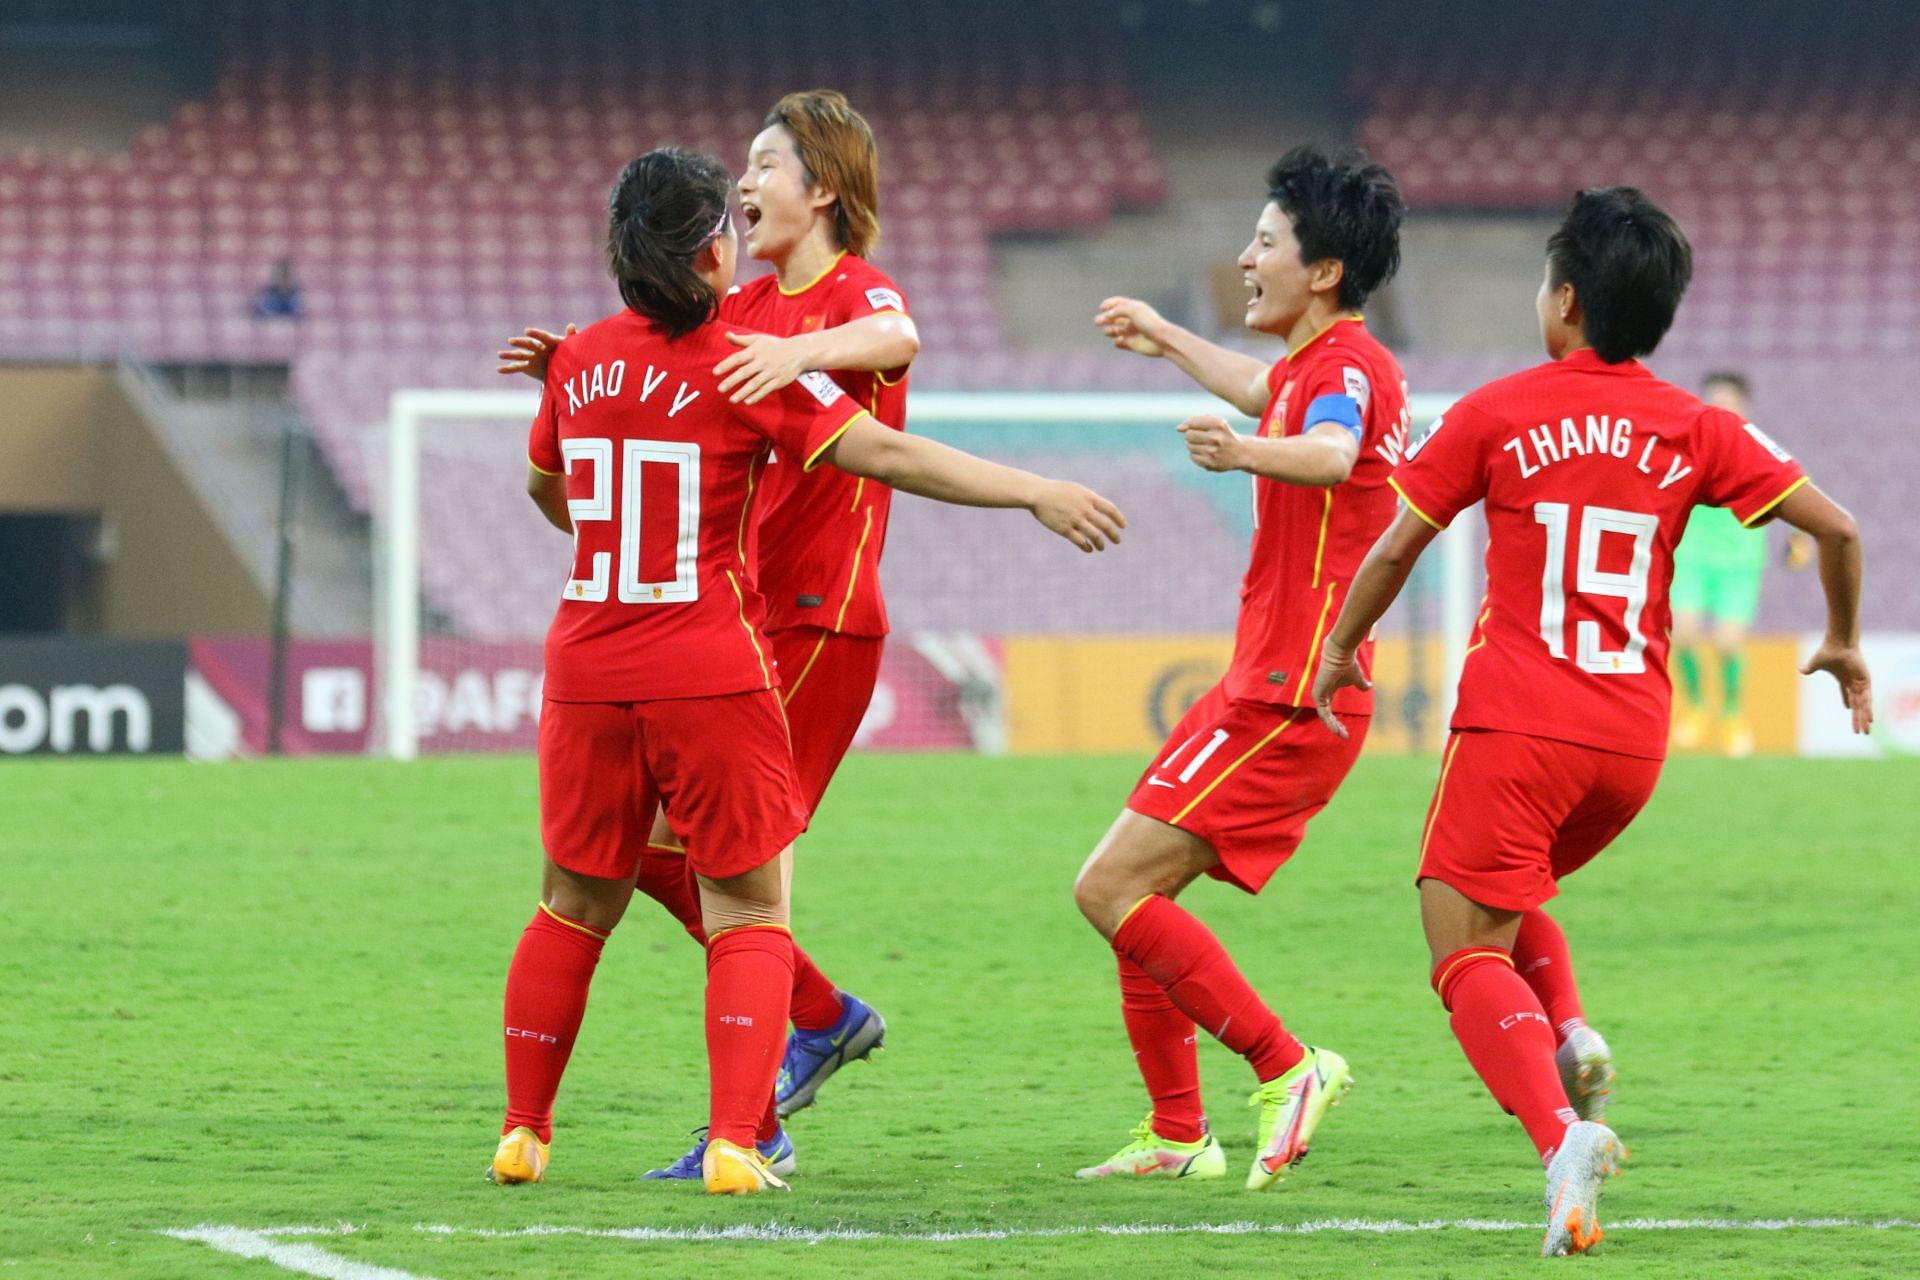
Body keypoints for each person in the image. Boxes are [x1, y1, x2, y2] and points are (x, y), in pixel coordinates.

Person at [490, 145, 1124, 1196]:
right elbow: (891, 454)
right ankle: (741, 1140)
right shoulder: (746, 360)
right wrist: (1031, 490)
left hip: (586, 666)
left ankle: (522, 1132)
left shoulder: (577, 361)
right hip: (707, 663)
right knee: (746, 907)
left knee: (568, 904)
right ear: (707, 253)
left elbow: (548, 492)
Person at [1312, 187, 1871, 1255]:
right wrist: (1841, 639)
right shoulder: (1699, 425)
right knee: (1506, 893)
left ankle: (1560, 1133)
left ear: (1564, 299)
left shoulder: (1499, 407)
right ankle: (1569, 1026)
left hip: (1520, 725)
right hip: (1630, 744)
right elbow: (1836, 527)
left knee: (1458, 940)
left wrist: (1339, 648)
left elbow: (1394, 546)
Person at [499, 90, 918, 1179]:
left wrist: (791, 351)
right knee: (667, 859)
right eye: (736, 172)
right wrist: (603, 363)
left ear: (821, 187)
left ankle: (759, 1114)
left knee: (744, 878)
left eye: (764, 165)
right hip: (735, 613)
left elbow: (896, 334)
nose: (744, 184)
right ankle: (815, 1020)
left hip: (813, 610)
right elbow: (680, 375)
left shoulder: (840, 293)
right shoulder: (756, 311)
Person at [1071, 145, 1407, 1187]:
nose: (1244, 258)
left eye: (1264, 243)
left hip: (1291, 690)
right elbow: (1267, 388)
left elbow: (1330, 452)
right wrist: (1169, 337)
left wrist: (1239, 450)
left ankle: (1289, 1064)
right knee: (1137, 896)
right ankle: (1178, 1132)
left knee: (1112, 887)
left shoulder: (1347, 370)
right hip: (1261, 678)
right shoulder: (1314, 365)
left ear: (1324, 272)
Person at [1670, 371, 1809, 756]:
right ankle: (1697, 709)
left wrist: (1798, 540)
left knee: (1728, 643)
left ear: (1743, 407)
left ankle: (1732, 714)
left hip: (1740, 563)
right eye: (1712, 400)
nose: (1719, 408)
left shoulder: (1760, 451)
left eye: (1727, 401)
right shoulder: (1686, 448)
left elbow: (1792, 494)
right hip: (1693, 558)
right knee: (1682, 634)